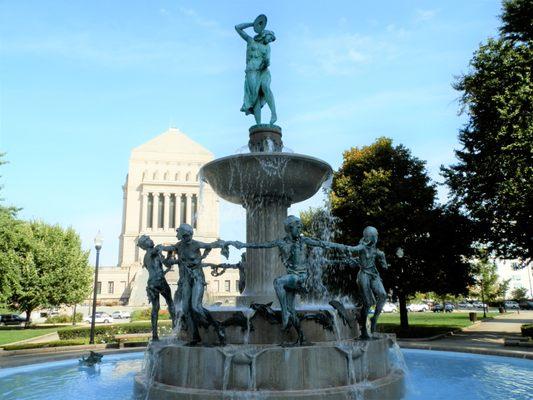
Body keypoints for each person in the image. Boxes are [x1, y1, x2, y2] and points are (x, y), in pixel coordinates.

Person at [234, 215, 354, 345]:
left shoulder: (304, 241)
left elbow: (323, 243)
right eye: (298, 226)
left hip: (302, 278)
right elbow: (262, 245)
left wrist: (345, 247)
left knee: (278, 282)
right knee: (292, 310)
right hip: (292, 280)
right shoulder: (282, 242)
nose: (301, 228)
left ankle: (284, 314)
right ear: (290, 228)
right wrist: (243, 244)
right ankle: (301, 337)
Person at [162, 223, 231, 345]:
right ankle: (194, 336)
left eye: (180, 233)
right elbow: (170, 249)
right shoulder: (179, 246)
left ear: (185, 234)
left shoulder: (196, 244)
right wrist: (159, 248)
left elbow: (210, 245)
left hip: (197, 278)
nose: (178, 235)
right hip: (186, 279)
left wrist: (208, 252)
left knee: (196, 306)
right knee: (186, 309)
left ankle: (217, 327)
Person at [235, 18, 277, 125]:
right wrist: (252, 24)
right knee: (255, 97)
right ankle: (258, 124)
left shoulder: (267, 47)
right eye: (270, 38)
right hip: (252, 71)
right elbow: (238, 28)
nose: (270, 41)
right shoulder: (250, 41)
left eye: (272, 40)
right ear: (265, 34)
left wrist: (266, 62)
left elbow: (268, 61)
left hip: (263, 71)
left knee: (266, 87)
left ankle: (274, 114)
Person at [349, 227, 388, 340]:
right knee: (368, 303)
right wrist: (345, 249)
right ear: (369, 237)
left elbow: (381, 258)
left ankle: (374, 318)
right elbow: (352, 249)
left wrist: (383, 261)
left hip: (374, 275)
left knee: (383, 295)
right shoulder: (362, 247)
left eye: (376, 235)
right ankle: (363, 329)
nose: (376, 238)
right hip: (363, 275)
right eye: (374, 236)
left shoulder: (375, 249)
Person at [137, 234, 176, 341]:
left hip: (151, 283)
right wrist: (169, 248)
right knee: (170, 303)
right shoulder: (152, 252)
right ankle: (175, 328)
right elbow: (159, 252)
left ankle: (154, 334)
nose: (151, 240)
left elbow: (165, 265)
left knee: (155, 308)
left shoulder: (146, 257)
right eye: (148, 240)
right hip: (160, 281)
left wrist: (168, 255)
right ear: (145, 245)